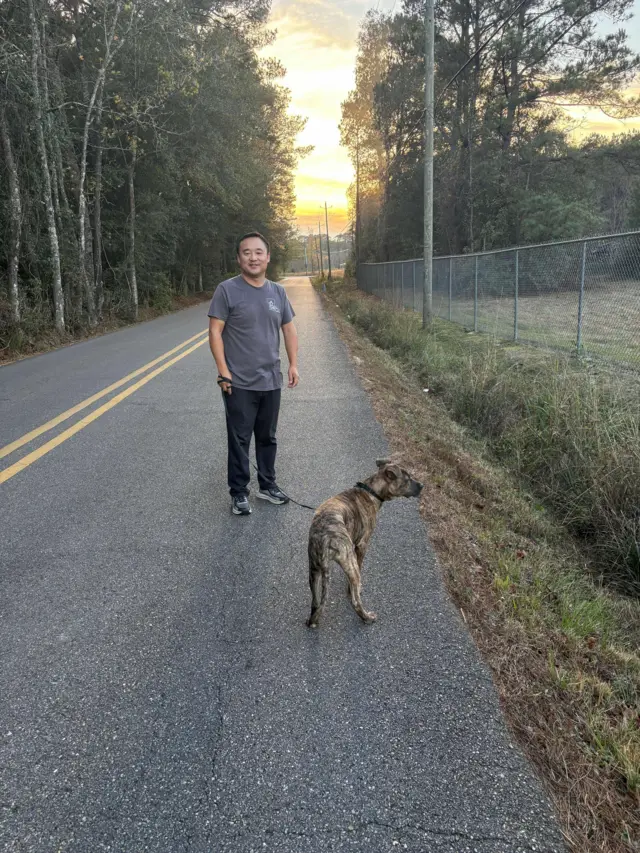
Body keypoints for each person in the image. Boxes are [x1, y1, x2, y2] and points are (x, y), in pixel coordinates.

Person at [208, 232, 299, 515]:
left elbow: (288, 329)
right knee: (239, 440)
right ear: (239, 258)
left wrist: (293, 364)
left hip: (270, 379)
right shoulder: (227, 290)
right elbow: (215, 332)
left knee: (268, 437)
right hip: (238, 382)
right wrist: (223, 371)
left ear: (268, 257)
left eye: (259, 252)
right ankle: (238, 492)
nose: (253, 257)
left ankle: (267, 485)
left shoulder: (278, 292)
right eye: (246, 252)